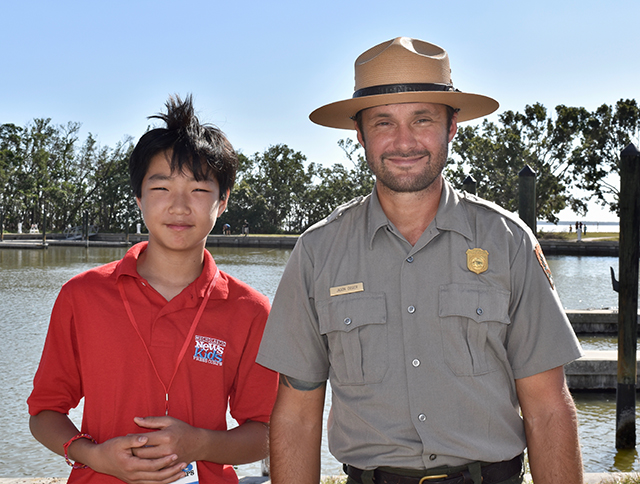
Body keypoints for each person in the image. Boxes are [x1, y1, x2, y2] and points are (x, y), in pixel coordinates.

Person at [256, 38, 584, 484]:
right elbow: (295, 415)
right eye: (384, 122)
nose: (404, 142)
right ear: (360, 135)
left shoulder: (508, 242)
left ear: (452, 126)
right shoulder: (317, 252)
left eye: (423, 119)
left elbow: (548, 408)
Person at [28, 95, 278, 484]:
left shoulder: (250, 310)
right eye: (161, 188)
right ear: (139, 198)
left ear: (223, 201)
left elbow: (264, 432)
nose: (179, 207)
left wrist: (200, 445)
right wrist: (93, 455)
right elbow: (44, 413)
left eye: (198, 190)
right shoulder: (82, 295)